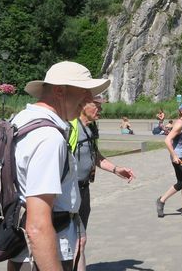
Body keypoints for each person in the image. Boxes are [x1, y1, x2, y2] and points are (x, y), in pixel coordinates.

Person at [9, 60, 110, 271]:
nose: (89, 99)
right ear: (60, 91)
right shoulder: (48, 137)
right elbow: (37, 226)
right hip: (44, 255)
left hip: (24, 252)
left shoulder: (21, 119)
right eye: (84, 91)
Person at [70, 95, 135, 271]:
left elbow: (95, 156)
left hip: (84, 190)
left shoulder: (91, 128)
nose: (101, 110)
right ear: (83, 104)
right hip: (69, 194)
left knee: (78, 241)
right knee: (78, 240)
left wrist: (116, 169)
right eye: (97, 106)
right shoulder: (70, 127)